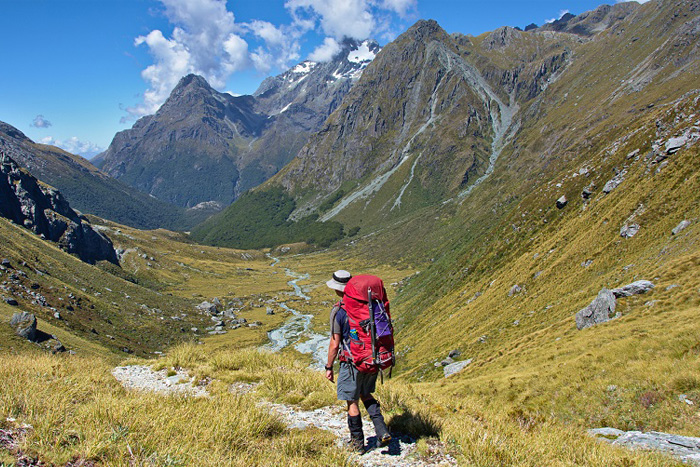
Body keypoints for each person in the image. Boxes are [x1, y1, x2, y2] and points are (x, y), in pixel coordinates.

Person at [325, 270, 392, 452]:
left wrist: (329, 366)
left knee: (352, 401)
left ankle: (357, 444)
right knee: (366, 394)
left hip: (351, 362)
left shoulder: (339, 310)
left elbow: (334, 343)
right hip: (371, 359)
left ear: (338, 289)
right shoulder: (371, 306)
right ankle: (382, 430)